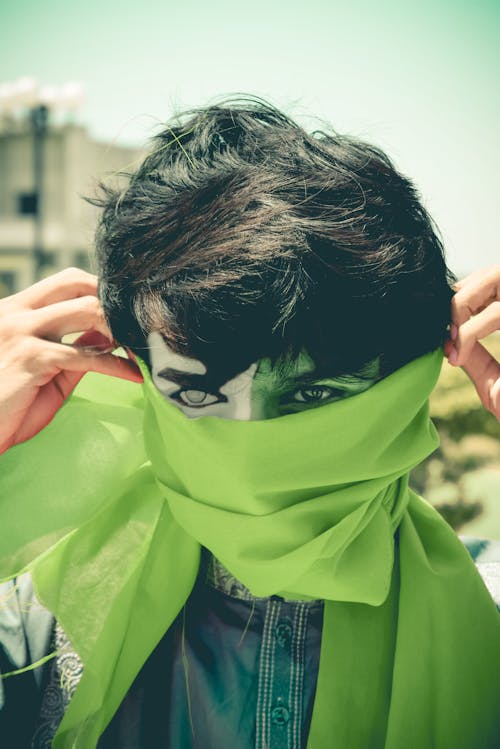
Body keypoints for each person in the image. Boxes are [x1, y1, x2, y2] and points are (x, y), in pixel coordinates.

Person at [0, 98, 499, 749]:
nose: (249, 459)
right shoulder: (43, 627)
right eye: (199, 395)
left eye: (313, 394)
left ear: (406, 383)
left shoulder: (485, 614)